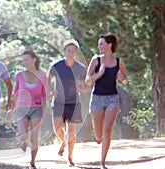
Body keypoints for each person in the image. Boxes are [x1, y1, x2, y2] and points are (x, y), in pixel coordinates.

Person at [85, 33, 128, 169]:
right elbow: (87, 80)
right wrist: (99, 74)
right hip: (97, 98)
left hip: (112, 99)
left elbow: (125, 79)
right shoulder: (96, 60)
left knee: (107, 130)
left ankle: (102, 162)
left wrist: (123, 79)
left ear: (109, 45)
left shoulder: (119, 62)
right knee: (99, 135)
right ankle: (99, 139)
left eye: (101, 44)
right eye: (98, 44)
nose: (99, 46)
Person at [48, 39, 89, 166]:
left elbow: (87, 86)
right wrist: (50, 91)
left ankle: (70, 158)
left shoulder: (80, 68)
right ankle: (64, 141)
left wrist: (81, 89)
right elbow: (47, 79)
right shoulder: (56, 65)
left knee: (71, 130)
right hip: (59, 101)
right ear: (64, 52)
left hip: (73, 102)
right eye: (68, 50)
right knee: (57, 128)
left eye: (73, 51)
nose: (71, 53)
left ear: (76, 53)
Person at [7, 50, 47, 169]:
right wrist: (12, 109)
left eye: (27, 59)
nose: (24, 62)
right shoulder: (19, 75)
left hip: (36, 108)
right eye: (23, 60)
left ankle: (32, 162)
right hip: (22, 109)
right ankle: (25, 141)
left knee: (35, 136)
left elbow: (44, 96)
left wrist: (43, 112)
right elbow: (16, 93)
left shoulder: (42, 76)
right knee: (23, 135)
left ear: (34, 60)